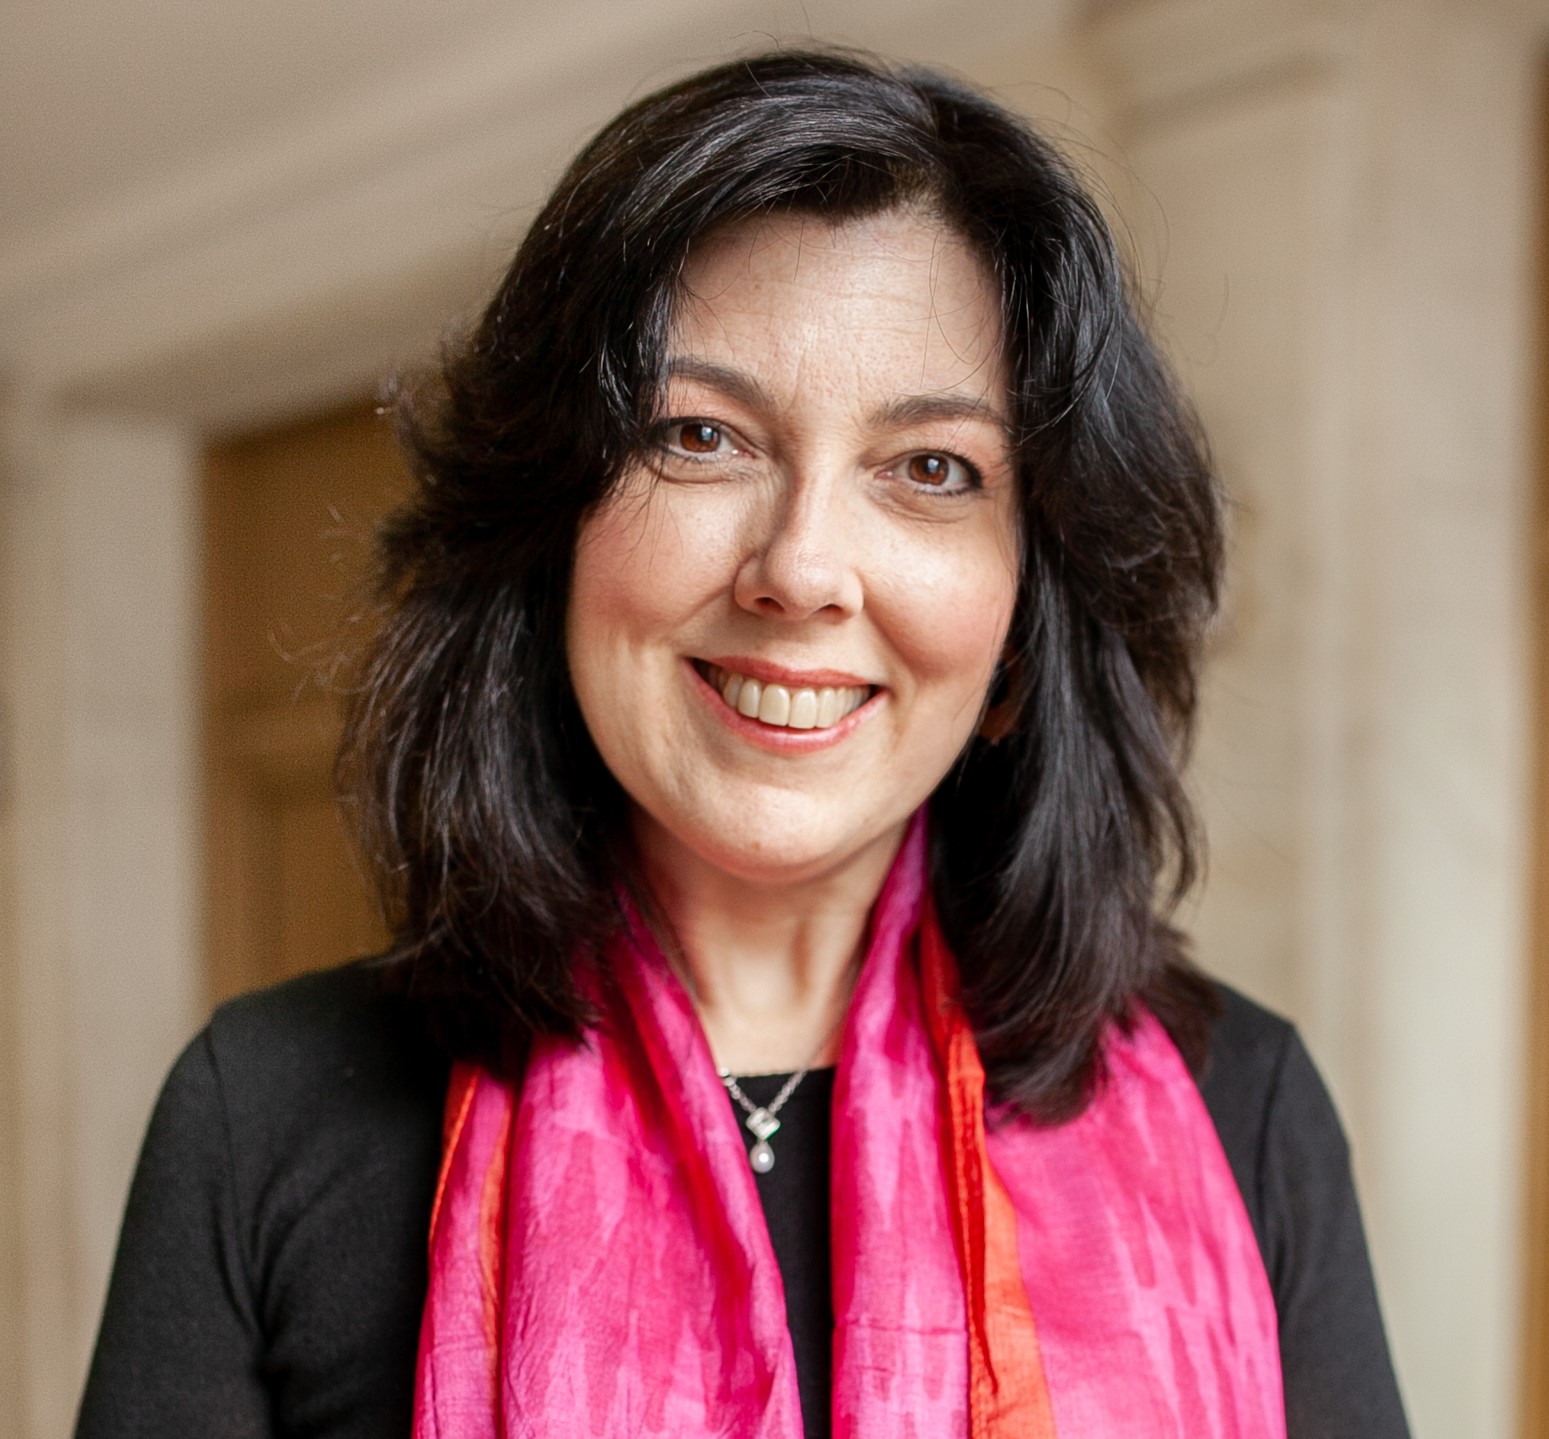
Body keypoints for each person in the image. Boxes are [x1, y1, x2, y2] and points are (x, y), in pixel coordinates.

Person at [76, 50, 1409, 1439]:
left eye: (930, 469)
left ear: (1026, 619)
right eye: (699, 437)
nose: (800, 568)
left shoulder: (1237, 1102)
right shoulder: (269, 1112)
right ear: (547, 536)